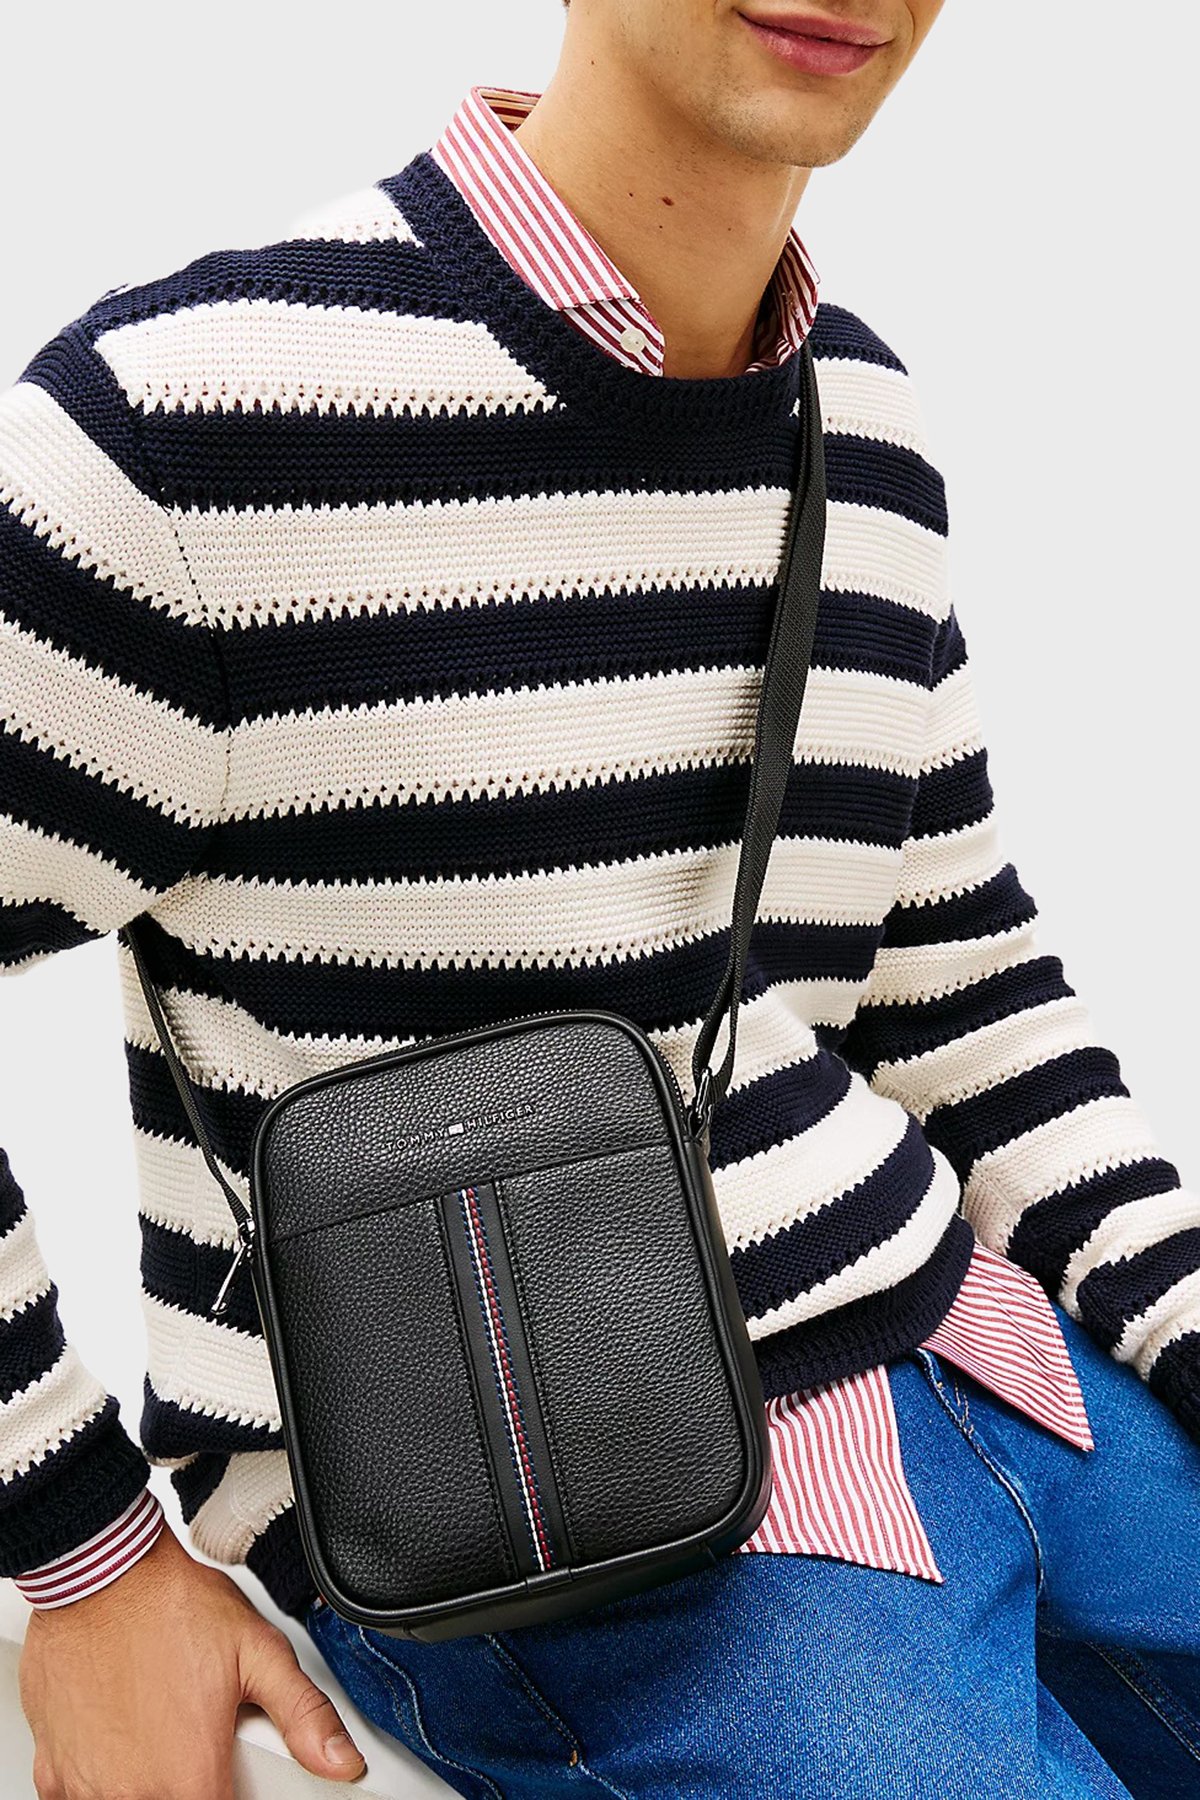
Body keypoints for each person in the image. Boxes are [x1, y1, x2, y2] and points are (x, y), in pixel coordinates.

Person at [2, 1, 1198, 1795]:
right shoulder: (184, 431)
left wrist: (1183, 1324)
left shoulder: (859, 419)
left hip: (988, 1353)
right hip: (545, 1513)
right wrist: (85, 1560)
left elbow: (958, 982)